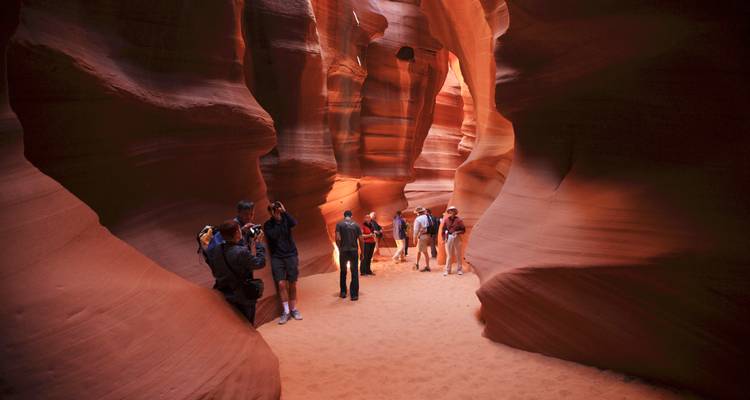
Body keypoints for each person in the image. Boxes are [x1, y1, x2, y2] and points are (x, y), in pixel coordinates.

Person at [206, 220, 266, 326]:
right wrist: (259, 244)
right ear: (236, 233)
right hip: (243, 297)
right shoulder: (241, 252)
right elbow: (260, 263)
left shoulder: (216, 249)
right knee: (247, 327)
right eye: (239, 230)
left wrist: (241, 232)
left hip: (225, 295)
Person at [264, 201, 302, 324]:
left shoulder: (286, 219)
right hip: (277, 257)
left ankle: (293, 309)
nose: (274, 211)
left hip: (291, 255)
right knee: (281, 284)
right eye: (271, 210)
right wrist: (276, 220)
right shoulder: (268, 225)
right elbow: (273, 236)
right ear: (269, 212)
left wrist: (284, 212)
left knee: (292, 283)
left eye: (276, 208)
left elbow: (294, 223)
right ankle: (286, 311)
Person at [335, 210, 364, 300]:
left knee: (343, 271)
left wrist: (340, 248)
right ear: (351, 216)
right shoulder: (356, 225)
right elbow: (361, 239)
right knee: (354, 271)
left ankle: (343, 292)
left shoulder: (339, 224)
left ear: (344, 216)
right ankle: (354, 294)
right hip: (353, 251)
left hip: (343, 251)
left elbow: (337, 238)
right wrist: (362, 252)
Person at [443, 206, 466, 276]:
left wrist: (457, 232)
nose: (451, 212)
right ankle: (447, 270)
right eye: (450, 211)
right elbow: (443, 230)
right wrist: (444, 238)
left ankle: (459, 269)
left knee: (458, 254)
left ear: (455, 212)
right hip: (449, 237)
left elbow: (463, 230)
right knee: (449, 255)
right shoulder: (446, 220)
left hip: (456, 237)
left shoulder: (459, 220)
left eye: (452, 210)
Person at [412, 207, 432, 272]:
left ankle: (428, 267)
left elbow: (416, 230)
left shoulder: (418, 219)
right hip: (428, 235)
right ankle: (417, 264)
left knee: (425, 252)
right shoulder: (428, 217)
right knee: (418, 250)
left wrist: (414, 238)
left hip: (422, 236)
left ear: (418, 213)